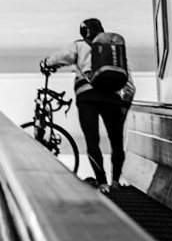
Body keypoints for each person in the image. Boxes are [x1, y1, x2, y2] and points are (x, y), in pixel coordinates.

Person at [41, 17, 136, 191]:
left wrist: (46, 63)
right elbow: (129, 87)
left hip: (87, 98)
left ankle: (102, 183)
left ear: (84, 32)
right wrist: (123, 108)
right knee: (116, 142)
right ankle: (115, 181)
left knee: (92, 141)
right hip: (112, 99)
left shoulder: (79, 45)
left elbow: (60, 58)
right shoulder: (114, 52)